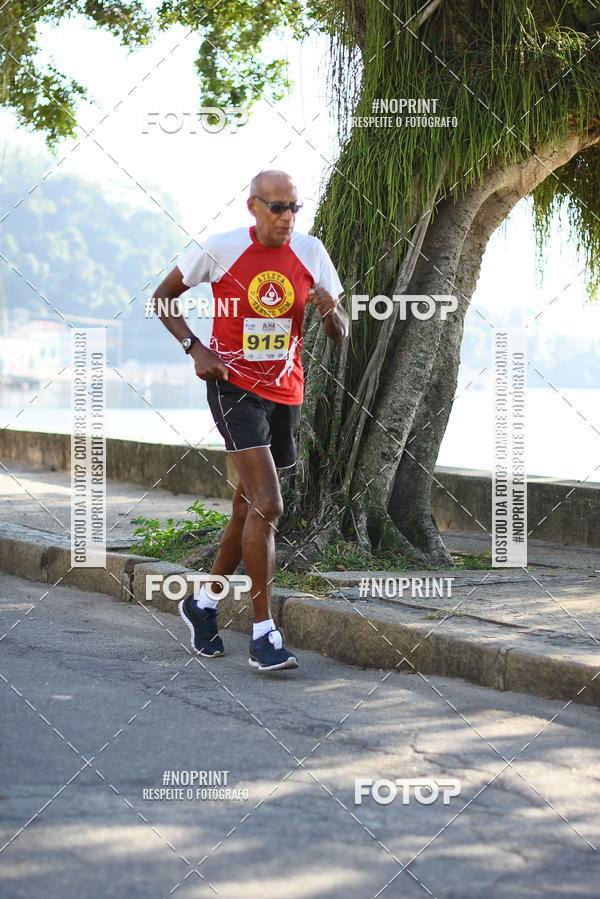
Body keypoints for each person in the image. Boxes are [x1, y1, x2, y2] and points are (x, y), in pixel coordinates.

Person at [152, 170, 348, 671]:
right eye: (277, 207)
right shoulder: (220, 248)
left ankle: (203, 603)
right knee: (268, 504)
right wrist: (194, 347)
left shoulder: (311, 252)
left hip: (285, 392)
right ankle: (264, 634)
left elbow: (341, 331)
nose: (287, 217)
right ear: (253, 207)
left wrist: (330, 314)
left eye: (294, 208)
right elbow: (163, 298)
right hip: (232, 387)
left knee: (245, 512)